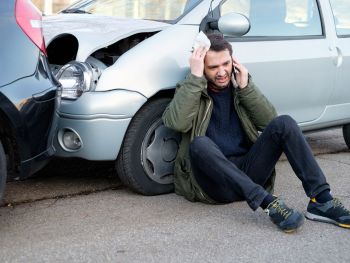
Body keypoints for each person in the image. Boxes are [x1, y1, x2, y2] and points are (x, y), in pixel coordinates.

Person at [162, 33, 350, 233]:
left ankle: (322, 201)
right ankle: (268, 203)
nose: (221, 72)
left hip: (249, 171)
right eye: (213, 67)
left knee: (284, 123)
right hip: (214, 182)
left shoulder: (240, 88)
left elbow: (270, 123)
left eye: (225, 64)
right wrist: (195, 78)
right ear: (201, 67)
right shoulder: (191, 88)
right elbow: (176, 122)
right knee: (200, 144)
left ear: (233, 62)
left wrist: (246, 88)